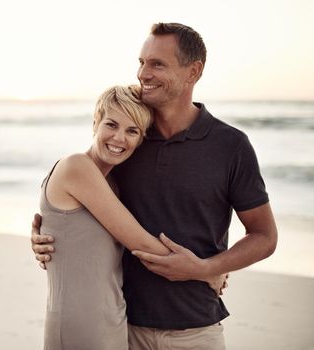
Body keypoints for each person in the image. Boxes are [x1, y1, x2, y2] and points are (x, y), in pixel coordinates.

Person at [32, 23, 277, 349]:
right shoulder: (129, 144)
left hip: (196, 329)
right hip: (126, 327)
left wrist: (208, 268)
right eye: (142, 62)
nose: (143, 73)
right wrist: (48, 234)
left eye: (157, 64)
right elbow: (76, 203)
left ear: (194, 71)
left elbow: (264, 236)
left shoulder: (230, 146)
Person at [38, 84, 226, 350]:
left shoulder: (113, 183)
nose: (119, 138)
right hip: (78, 324)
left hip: (115, 321)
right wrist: (206, 272)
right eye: (111, 125)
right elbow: (141, 244)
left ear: (141, 139)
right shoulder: (76, 167)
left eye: (132, 131)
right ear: (95, 122)